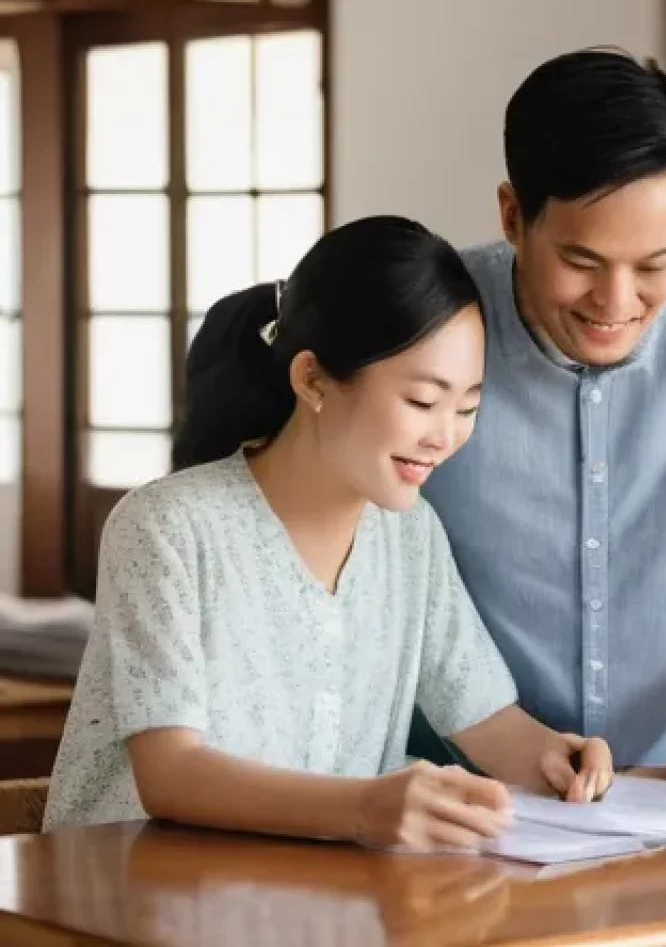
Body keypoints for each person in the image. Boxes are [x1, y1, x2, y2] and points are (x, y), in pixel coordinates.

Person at [42, 215, 614, 849]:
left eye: (468, 407)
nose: (445, 435)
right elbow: (171, 773)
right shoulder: (166, 528)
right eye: (423, 402)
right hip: (125, 910)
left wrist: (557, 760)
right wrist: (365, 807)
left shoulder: (410, 535)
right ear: (312, 378)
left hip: (313, 905)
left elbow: (482, 715)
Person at [420, 49, 666, 793]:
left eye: (654, 265)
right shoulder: (432, 320)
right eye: (581, 260)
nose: (615, 302)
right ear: (513, 215)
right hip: (450, 792)